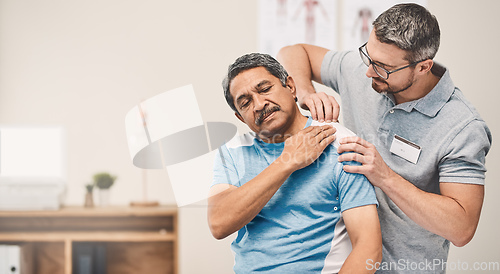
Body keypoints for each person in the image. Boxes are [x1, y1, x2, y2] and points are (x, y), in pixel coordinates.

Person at [277, 3, 492, 273]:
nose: (368, 71)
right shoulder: (364, 70)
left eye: (382, 67)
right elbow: (294, 52)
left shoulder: (462, 127)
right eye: (368, 56)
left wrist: (385, 176)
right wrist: (306, 92)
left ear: (423, 67)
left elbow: (462, 229)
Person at [207, 53, 382, 273]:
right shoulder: (233, 152)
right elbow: (219, 223)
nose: (259, 104)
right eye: (246, 102)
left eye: (264, 89)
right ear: (241, 117)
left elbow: (369, 249)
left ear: (290, 86)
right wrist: (287, 161)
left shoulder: (339, 142)